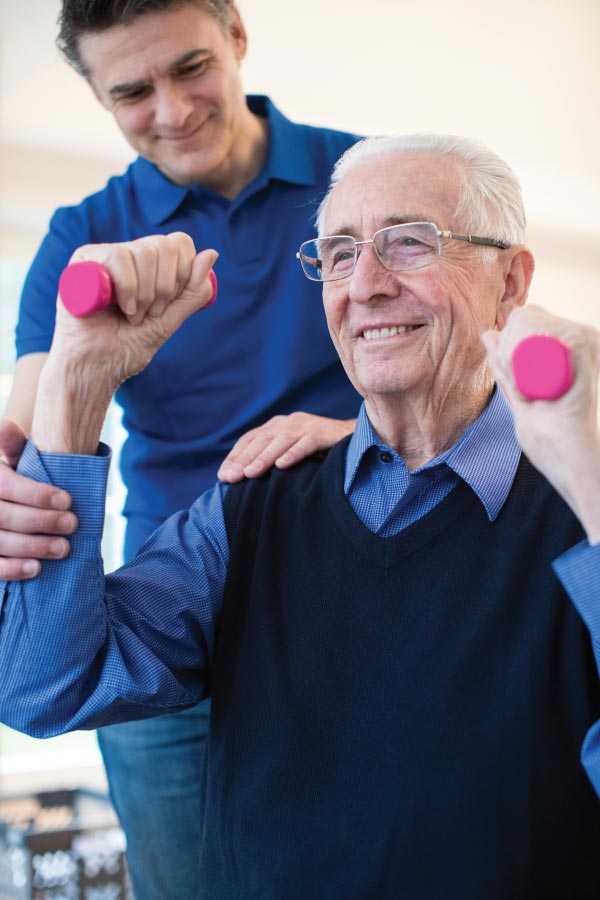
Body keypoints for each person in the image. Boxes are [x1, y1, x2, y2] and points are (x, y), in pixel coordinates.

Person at [2, 132, 600, 898]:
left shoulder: (578, 509)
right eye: (340, 253)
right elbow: (42, 688)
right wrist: (78, 385)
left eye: (410, 243)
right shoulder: (250, 508)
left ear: (511, 281)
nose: (367, 283)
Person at [0, 1, 362, 895]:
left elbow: (486, 382)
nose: (170, 108)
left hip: (354, 591)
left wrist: (365, 434)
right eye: (131, 90)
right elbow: (27, 421)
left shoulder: (363, 180)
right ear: (96, 94)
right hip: (165, 615)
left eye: (191, 66)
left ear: (236, 35)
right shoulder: (80, 236)